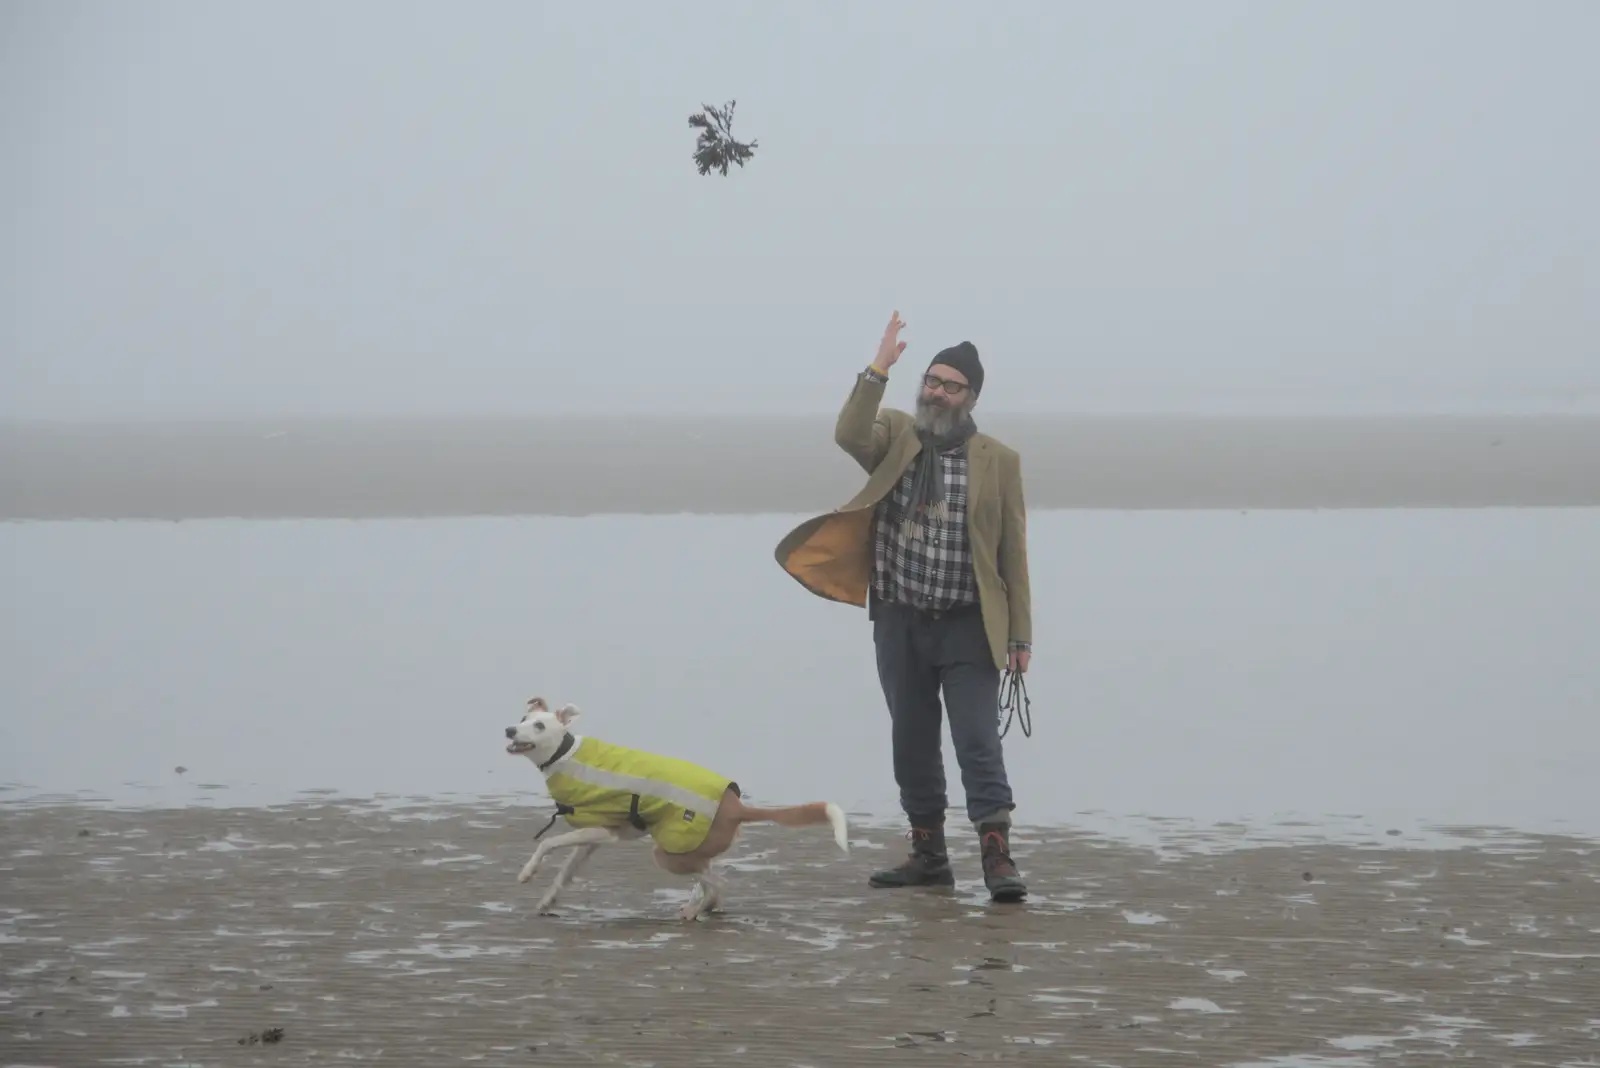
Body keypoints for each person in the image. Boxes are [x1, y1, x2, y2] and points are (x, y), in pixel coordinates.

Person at [773, 310, 1031, 903]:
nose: (937, 391)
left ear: (971, 397)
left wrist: (1020, 639)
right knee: (911, 739)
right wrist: (878, 368)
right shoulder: (896, 435)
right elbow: (848, 433)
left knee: (977, 740)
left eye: (951, 385)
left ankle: (997, 857)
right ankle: (928, 855)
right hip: (899, 620)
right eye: (932, 380)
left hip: (969, 625)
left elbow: (1013, 554)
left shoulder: (999, 460)